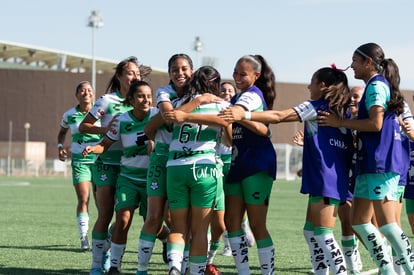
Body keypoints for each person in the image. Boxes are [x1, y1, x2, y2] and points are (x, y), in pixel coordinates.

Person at [221, 66, 353, 275]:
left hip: (325, 178)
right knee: (310, 232)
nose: (308, 86)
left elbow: (279, 116)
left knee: (323, 234)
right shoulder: (344, 112)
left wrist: (244, 113)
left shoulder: (316, 107)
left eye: (312, 81)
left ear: (322, 86)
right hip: (332, 177)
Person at [317, 42, 414, 274]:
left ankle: (410, 268)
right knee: (359, 222)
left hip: (382, 163)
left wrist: (340, 122)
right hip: (369, 163)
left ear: (368, 62)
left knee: (389, 225)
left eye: (355, 61)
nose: (351, 66)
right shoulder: (374, 85)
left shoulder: (377, 86)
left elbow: (375, 123)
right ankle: (387, 270)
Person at [79, 56, 151, 275]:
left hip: (135, 166)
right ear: (119, 76)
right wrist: (108, 131)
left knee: (129, 218)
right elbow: (85, 126)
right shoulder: (107, 101)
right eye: (130, 72)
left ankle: (110, 251)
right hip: (108, 164)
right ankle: (96, 265)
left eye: (137, 73)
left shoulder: (145, 102)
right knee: (106, 214)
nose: (135, 76)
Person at [162, 66, 232, 275]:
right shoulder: (223, 105)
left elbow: (168, 118)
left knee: (178, 227)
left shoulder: (178, 104)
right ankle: (197, 272)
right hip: (203, 167)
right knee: (200, 229)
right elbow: (229, 140)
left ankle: (175, 266)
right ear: (215, 84)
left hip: (175, 167)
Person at [219, 55, 277, 275]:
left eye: (242, 74)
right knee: (231, 221)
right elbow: (229, 138)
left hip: (257, 164)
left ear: (256, 75)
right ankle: (243, 272)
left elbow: (238, 114)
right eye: (235, 73)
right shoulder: (237, 98)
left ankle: (267, 273)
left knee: (256, 224)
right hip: (237, 163)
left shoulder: (252, 97)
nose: (237, 77)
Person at [57, 80, 101, 251]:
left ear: (93, 93)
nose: (86, 93)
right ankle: (83, 236)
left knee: (102, 202)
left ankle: (102, 236)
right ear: (76, 95)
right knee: (84, 198)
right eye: (82, 90)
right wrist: (60, 147)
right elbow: (61, 134)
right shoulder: (69, 115)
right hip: (80, 162)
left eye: (89, 90)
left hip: (99, 160)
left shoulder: (101, 112)